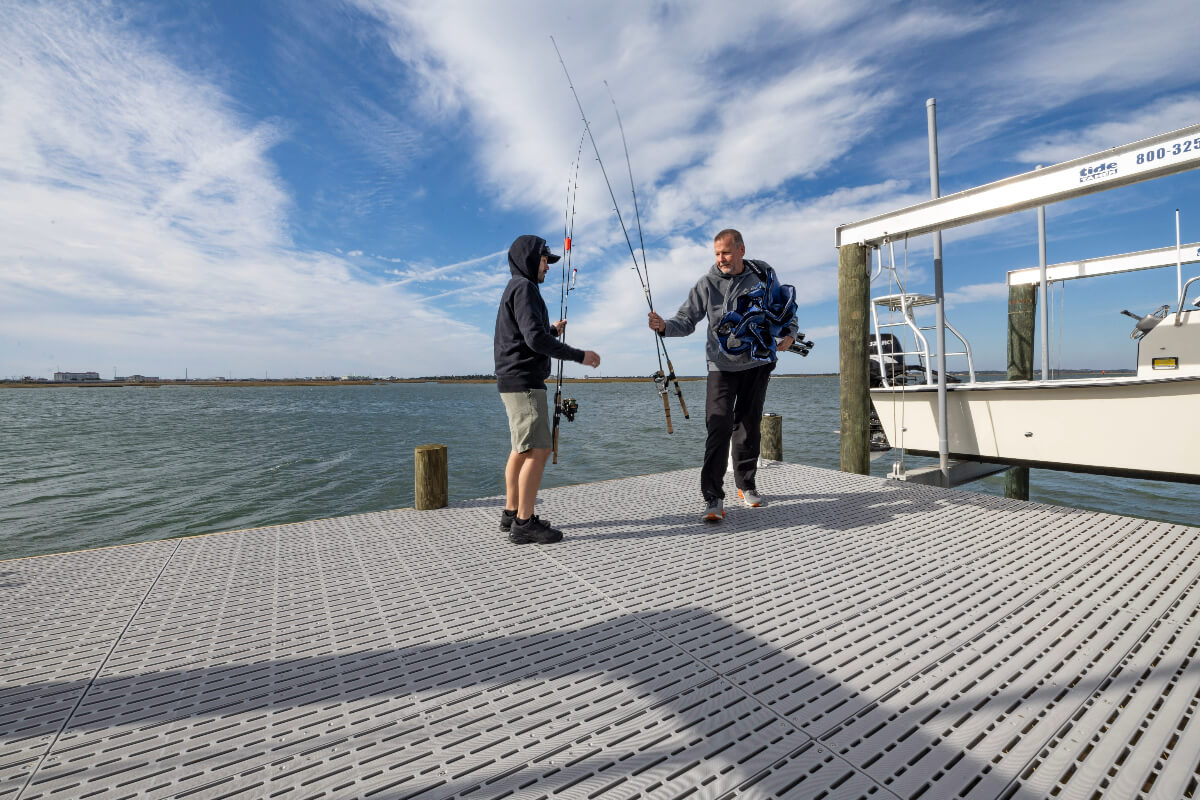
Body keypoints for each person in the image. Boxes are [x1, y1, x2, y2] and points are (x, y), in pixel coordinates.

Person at [648, 229, 797, 522]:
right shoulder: (707, 283)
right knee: (718, 427)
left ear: (741, 249)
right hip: (721, 365)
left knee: (749, 425)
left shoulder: (763, 272)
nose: (721, 259)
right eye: (717, 254)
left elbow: (784, 306)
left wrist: (790, 333)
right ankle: (713, 496)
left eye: (726, 253)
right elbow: (686, 320)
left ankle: (746, 485)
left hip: (758, 362)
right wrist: (664, 326)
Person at [495, 234, 601, 543]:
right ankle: (524, 524)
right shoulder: (525, 288)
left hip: (512, 380)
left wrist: (551, 329)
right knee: (539, 449)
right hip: (526, 382)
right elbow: (534, 341)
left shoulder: (515, 288)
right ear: (530, 259)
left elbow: (527, 335)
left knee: (521, 449)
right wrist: (579, 355)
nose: (548, 267)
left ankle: (512, 512)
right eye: (545, 260)